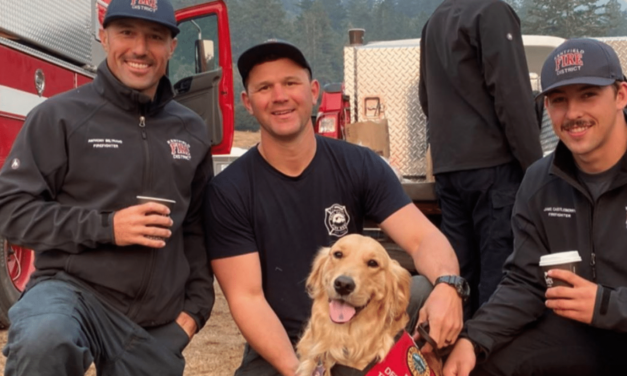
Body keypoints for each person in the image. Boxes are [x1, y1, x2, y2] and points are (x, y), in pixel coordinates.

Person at [204, 40, 466, 376]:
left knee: (425, 288)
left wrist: (448, 285)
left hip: (365, 335)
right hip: (287, 344)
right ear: (248, 103)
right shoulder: (229, 191)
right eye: (264, 87)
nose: (280, 96)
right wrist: (304, 370)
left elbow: (423, 239)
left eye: (290, 83)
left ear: (313, 91)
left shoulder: (358, 164)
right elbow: (247, 299)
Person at [0, 0, 215, 375]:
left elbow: (196, 228)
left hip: (155, 322)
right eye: (126, 33)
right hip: (71, 293)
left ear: (172, 47)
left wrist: (194, 311)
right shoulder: (59, 116)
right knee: (44, 340)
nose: (139, 49)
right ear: (103, 37)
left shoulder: (191, 129)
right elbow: (11, 210)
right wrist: (108, 227)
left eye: (154, 37)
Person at [443, 38, 627, 376]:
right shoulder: (539, 182)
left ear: (621, 96)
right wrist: (473, 339)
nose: (573, 114)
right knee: (485, 364)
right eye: (559, 101)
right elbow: (526, 281)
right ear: (546, 108)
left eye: (588, 94)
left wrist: (607, 305)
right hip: (576, 335)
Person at [419, 0, 543, 320]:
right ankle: (488, 362)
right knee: (499, 273)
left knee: (456, 274)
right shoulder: (491, 12)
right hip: (492, 168)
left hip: (449, 169)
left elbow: (425, 97)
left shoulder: (434, 21)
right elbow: (512, 98)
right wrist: (537, 172)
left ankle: (451, 353)